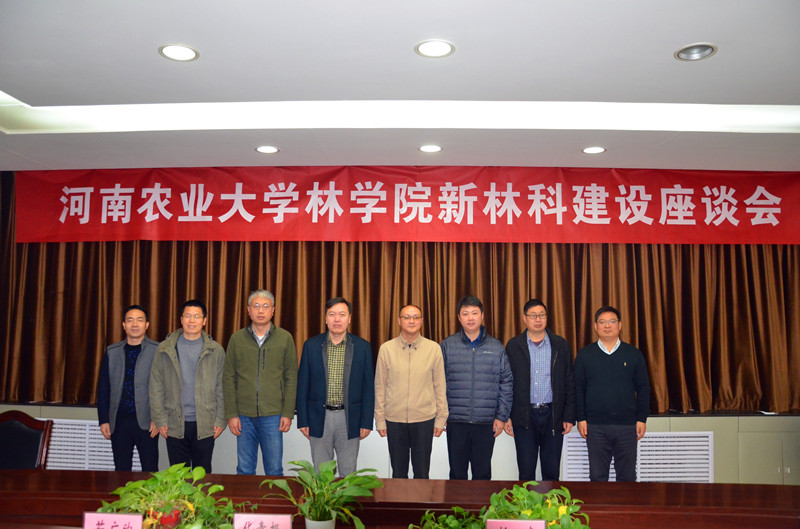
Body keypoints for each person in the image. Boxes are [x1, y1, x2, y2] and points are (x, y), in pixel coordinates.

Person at [296, 297, 374, 477]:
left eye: (342, 314)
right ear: (325, 319)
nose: (337, 319)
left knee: (348, 472)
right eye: (332, 314)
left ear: (349, 319)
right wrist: (303, 420)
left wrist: (366, 421)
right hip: (319, 417)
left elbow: (368, 388)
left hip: (349, 418)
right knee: (322, 474)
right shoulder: (311, 345)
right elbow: (303, 385)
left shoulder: (362, 347)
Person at [223, 289, 298, 476]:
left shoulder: (285, 338)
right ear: (248, 310)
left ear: (273, 310)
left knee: (274, 469)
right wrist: (231, 413)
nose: (261, 310)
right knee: (244, 469)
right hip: (243, 415)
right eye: (256, 306)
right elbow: (229, 377)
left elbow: (291, 377)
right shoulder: (237, 339)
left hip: (273, 415)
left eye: (266, 306)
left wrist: (288, 412)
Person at [440, 295, 513, 480]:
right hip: (456, 421)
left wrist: (501, 416)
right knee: (457, 475)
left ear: (482, 316)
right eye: (465, 314)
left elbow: (506, 382)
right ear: (459, 317)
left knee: (482, 475)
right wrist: (442, 414)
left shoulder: (496, 347)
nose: (470, 318)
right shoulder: (447, 345)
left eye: (474, 313)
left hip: (485, 422)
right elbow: (438, 382)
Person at [574, 306, 650, 482]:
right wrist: (581, 418)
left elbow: (643, 388)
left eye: (612, 321)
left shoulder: (633, 354)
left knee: (627, 477)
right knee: (597, 477)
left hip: (627, 426)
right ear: (596, 326)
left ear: (620, 325)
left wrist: (642, 418)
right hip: (595, 427)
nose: (607, 326)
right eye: (602, 322)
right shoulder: (585, 355)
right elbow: (578, 388)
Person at [149, 299, 226, 472]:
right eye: (188, 316)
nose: (192, 320)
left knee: (202, 475)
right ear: (181, 319)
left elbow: (221, 387)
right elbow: (156, 386)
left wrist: (220, 419)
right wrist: (160, 419)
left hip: (205, 422)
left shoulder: (215, 350)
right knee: (177, 476)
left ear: (204, 320)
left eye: (197, 316)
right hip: (174, 422)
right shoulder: (165, 348)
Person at [504, 298, 576, 481]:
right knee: (526, 472)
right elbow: (506, 383)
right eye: (533, 316)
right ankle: (526, 501)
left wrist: (568, 416)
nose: (538, 319)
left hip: (553, 415)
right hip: (524, 416)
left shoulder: (560, 345)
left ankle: (551, 501)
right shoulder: (514, 346)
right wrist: (507, 415)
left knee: (551, 472)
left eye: (541, 315)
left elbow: (569, 381)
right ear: (524, 319)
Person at [374, 304, 448, 479]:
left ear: (421, 321)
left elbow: (440, 386)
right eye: (406, 317)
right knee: (398, 473)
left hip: (424, 419)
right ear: (399, 321)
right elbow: (380, 387)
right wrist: (380, 420)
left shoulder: (433, 349)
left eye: (415, 317)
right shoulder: (386, 349)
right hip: (394, 419)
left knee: (422, 473)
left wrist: (441, 419)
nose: (411, 321)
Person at [97, 304, 160, 471]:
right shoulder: (112, 351)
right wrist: (103, 419)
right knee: (121, 470)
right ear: (124, 325)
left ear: (147, 324)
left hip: (147, 421)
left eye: (139, 320)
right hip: (119, 421)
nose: (135, 324)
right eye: (130, 320)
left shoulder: (158, 350)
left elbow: (165, 388)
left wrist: (159, 418)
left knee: (150, 471)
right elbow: (103, 388)